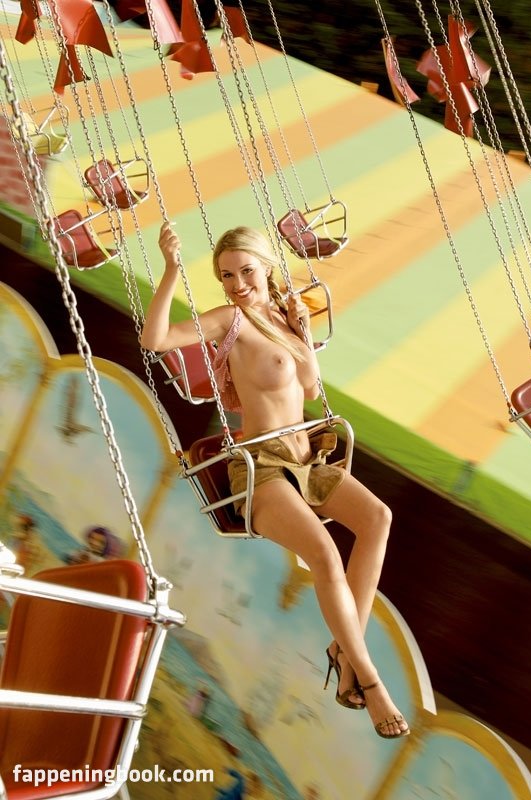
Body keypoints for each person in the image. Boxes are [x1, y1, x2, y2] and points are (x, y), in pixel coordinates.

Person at [140, 222, 409, 739]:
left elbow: (310, 391)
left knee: (378, 518)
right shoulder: (230, 321)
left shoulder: (285, 318)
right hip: (261, 468)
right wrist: (172, 269)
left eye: (246, 272)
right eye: (226, 276)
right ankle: (368, 679)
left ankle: (343, 651)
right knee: (325, 555)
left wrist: (303, 334)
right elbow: (155, 340)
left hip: (306, 459)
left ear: (266, 267)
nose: (238, 285)